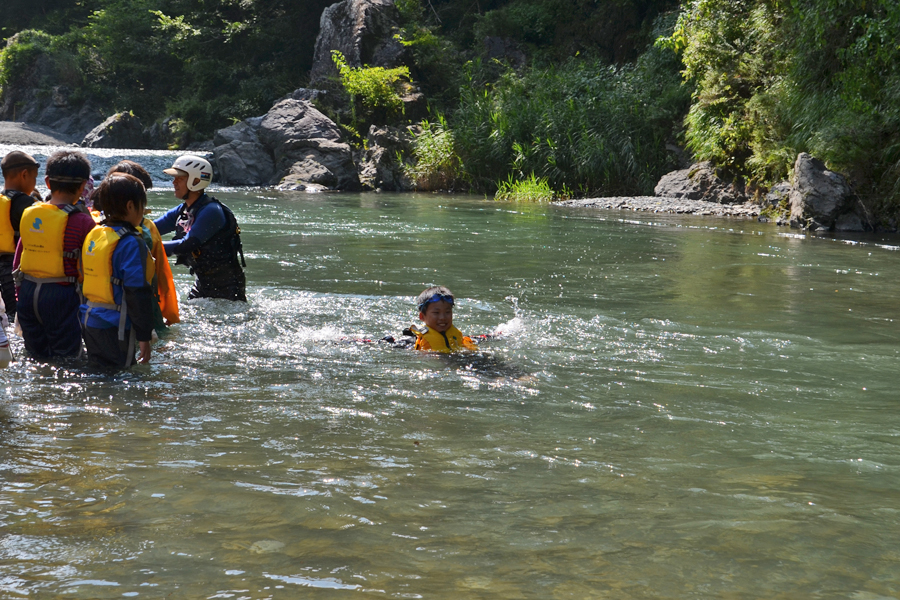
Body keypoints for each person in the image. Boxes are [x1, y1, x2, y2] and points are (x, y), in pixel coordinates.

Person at [13, 150, 95, 359]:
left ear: (47, 182)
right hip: (62, 296)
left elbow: (18, 259)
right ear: (83, 186)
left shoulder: (31, 213)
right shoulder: (83, 222)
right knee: (68, 358)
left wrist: (19, 295)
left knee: (34, 355)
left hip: (28, 294)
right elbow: (91, 265)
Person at [80, 173, 154, 367]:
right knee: (119, 379)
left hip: (89, 319)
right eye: (142, 206)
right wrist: (144, 335)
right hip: (116, 327)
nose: (143, 211)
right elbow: (136, 290)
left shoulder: (95, 233)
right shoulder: (131, 242)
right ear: (130, 206)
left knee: (99, 374)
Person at [153, 155, 246, 302]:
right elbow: (151, 229)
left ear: (196, 181)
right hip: (202, 283)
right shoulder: (183, 210)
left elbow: (187, 244)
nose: (174, 182)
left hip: (227, 288)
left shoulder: (212, 211)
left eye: (179, 178)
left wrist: (146, 246)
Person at [104, 160, 180, 331]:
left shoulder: (94, 225)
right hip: (142, 309)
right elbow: (162, 275)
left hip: (100, 312)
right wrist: (171, 315)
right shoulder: (147, 228)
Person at [0, 151, 40, 319]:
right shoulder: (28, 205)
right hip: (14, 271)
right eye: (34, 177)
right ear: (25, 175)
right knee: (18, 318)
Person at [409, 285, 478, 352]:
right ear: (422, 316)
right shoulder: (412, 341)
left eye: (447, 312)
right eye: (436, 313)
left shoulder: (456, 335)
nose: (443, 317)